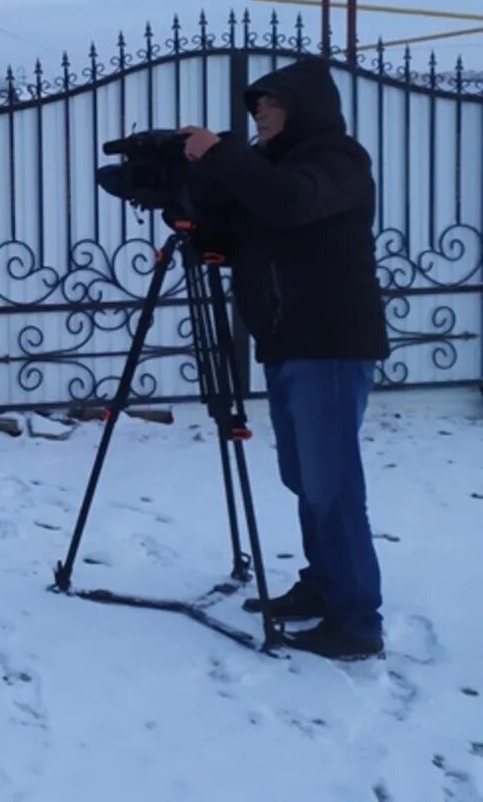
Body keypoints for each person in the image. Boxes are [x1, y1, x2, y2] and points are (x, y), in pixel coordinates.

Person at [180, 57, 389, 661]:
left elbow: (291, 204)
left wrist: (220, 154)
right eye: (255, 108)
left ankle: (356, 621)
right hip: (289, 339)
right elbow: (249, 231)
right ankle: (324, 586)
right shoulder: (272, 168)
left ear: (304, 106)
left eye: (270, 104)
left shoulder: (338, 160)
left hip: (330, 342)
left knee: (332, 483)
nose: (260, 115)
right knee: (304, 477)